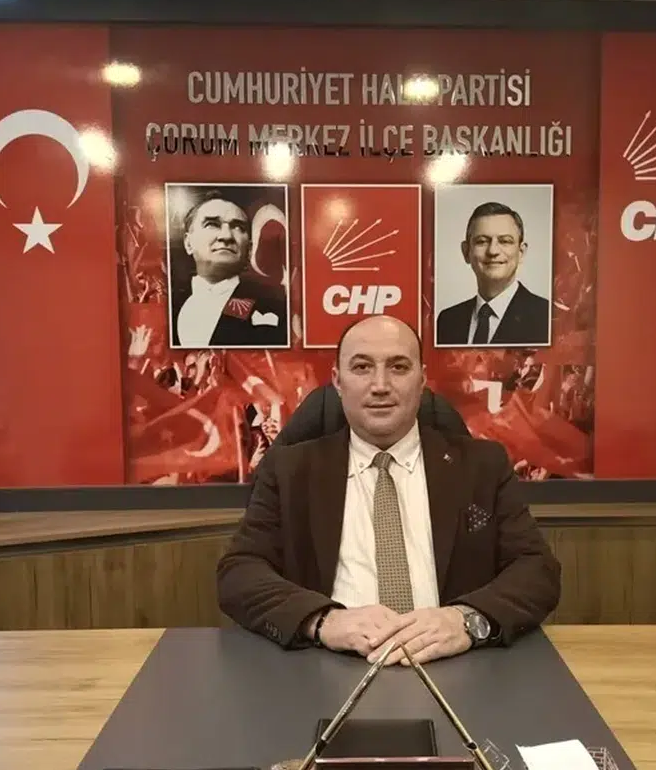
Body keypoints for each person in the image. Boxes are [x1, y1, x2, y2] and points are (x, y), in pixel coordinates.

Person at [215, 314, 561, 665]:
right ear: (337, 381)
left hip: (453, 664)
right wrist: (324, 621)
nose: (380, 385)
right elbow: (239, 573)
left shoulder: (482, 466)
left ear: (422, 380)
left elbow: (537, 570)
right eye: (362, 367)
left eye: (398, 367)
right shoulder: (290, 470)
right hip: (329, 666)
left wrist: (465, 620)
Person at [171, 189, 288, 349]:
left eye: (238, 227)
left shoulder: (277, 303)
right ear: (188, 243)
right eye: (212, 224)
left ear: (249, 248)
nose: (226, 236)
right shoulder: (168, 304)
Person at [435, 201, 551, 347]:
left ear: (521, 252)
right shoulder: (447, 321)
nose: (493, 251)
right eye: (482, 241)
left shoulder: (548, 317)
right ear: (466, 252)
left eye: (505, 241)